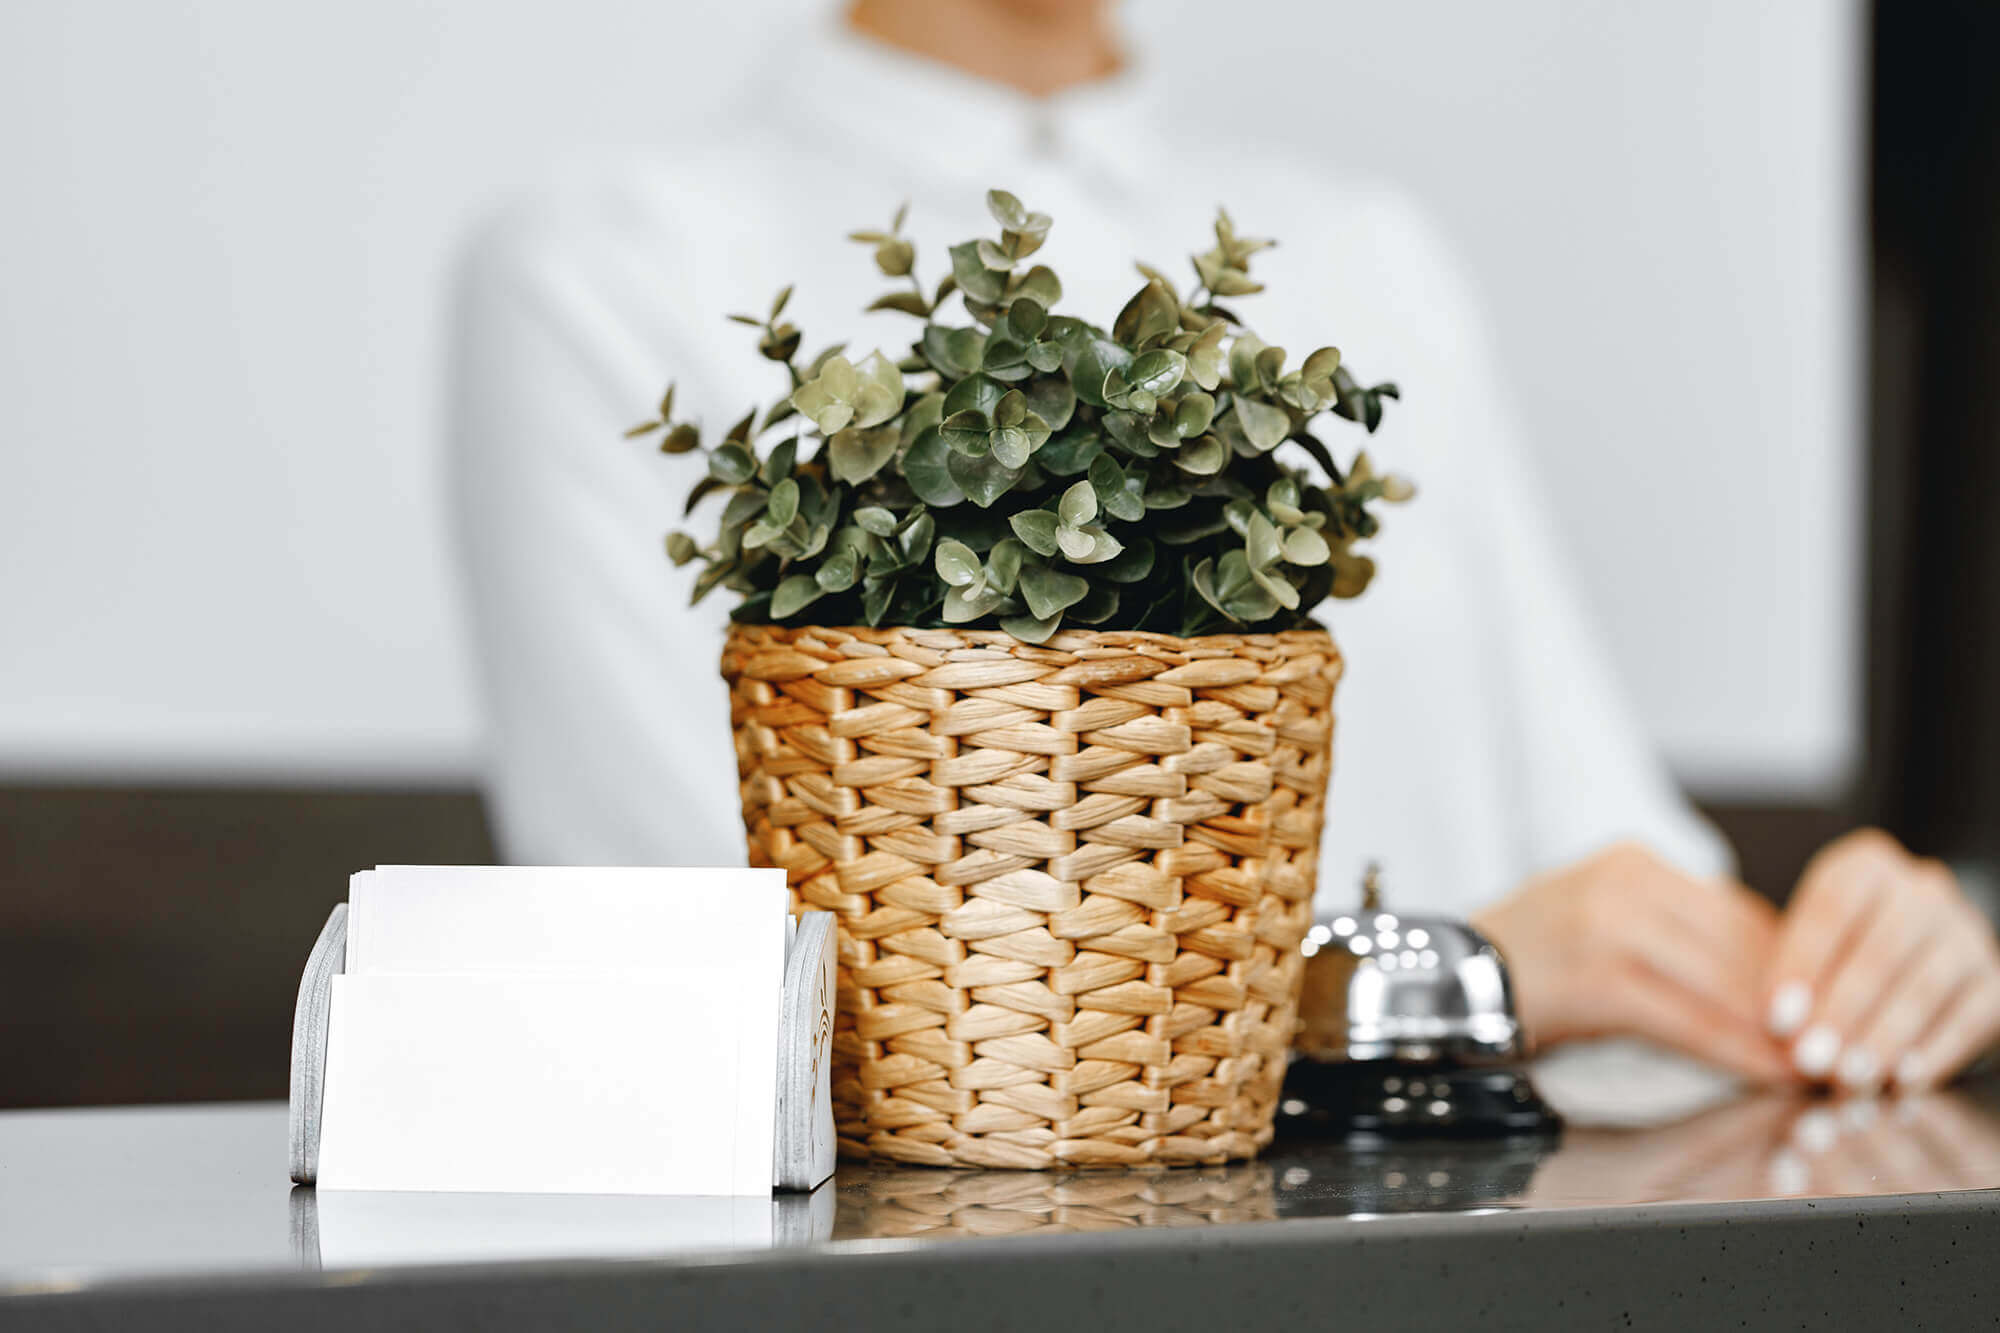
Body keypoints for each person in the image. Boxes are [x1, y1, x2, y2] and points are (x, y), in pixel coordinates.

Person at [449, 0, 2000, 1095]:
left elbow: (1626, 894)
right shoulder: (612, 277)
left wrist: (1859, 959)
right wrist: (1416, 979)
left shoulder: (1368, 258)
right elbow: (731, 999)